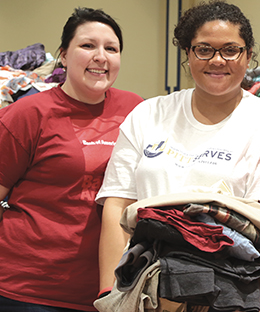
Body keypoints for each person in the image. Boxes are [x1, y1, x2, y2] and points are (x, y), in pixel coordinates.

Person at [95, 0, 260, 299]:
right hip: (143, 284)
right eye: (204, 49)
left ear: (248, 55)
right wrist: (111, 292)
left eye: (230, 49)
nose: (217, 60)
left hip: (226, 289)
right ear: (188, 52)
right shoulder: (148, 114)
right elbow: (117, 207)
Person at [0, 7, 143, 312]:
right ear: (63, 56)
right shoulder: (28, 114)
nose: (101, 56)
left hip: (110, 290)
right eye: (87, 45)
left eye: (111, 48)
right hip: (28, 291)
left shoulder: (136, 109)